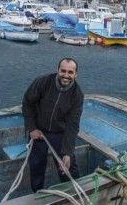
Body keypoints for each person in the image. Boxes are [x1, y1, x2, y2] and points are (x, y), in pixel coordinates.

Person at [22, 58, 84, 192]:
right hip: (39, 130)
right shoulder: (43, 82)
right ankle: (38, 193)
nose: (66, 75)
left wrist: (67, 152)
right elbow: (28, 102)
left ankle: (73, 191)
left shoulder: (77, 95)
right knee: (36, 164)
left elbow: (73, 125)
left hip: (59, 132)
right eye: (63, 71)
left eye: (70, 72)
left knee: (67, 164)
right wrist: (32, 128)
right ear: (58, 70)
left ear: (75, 74)